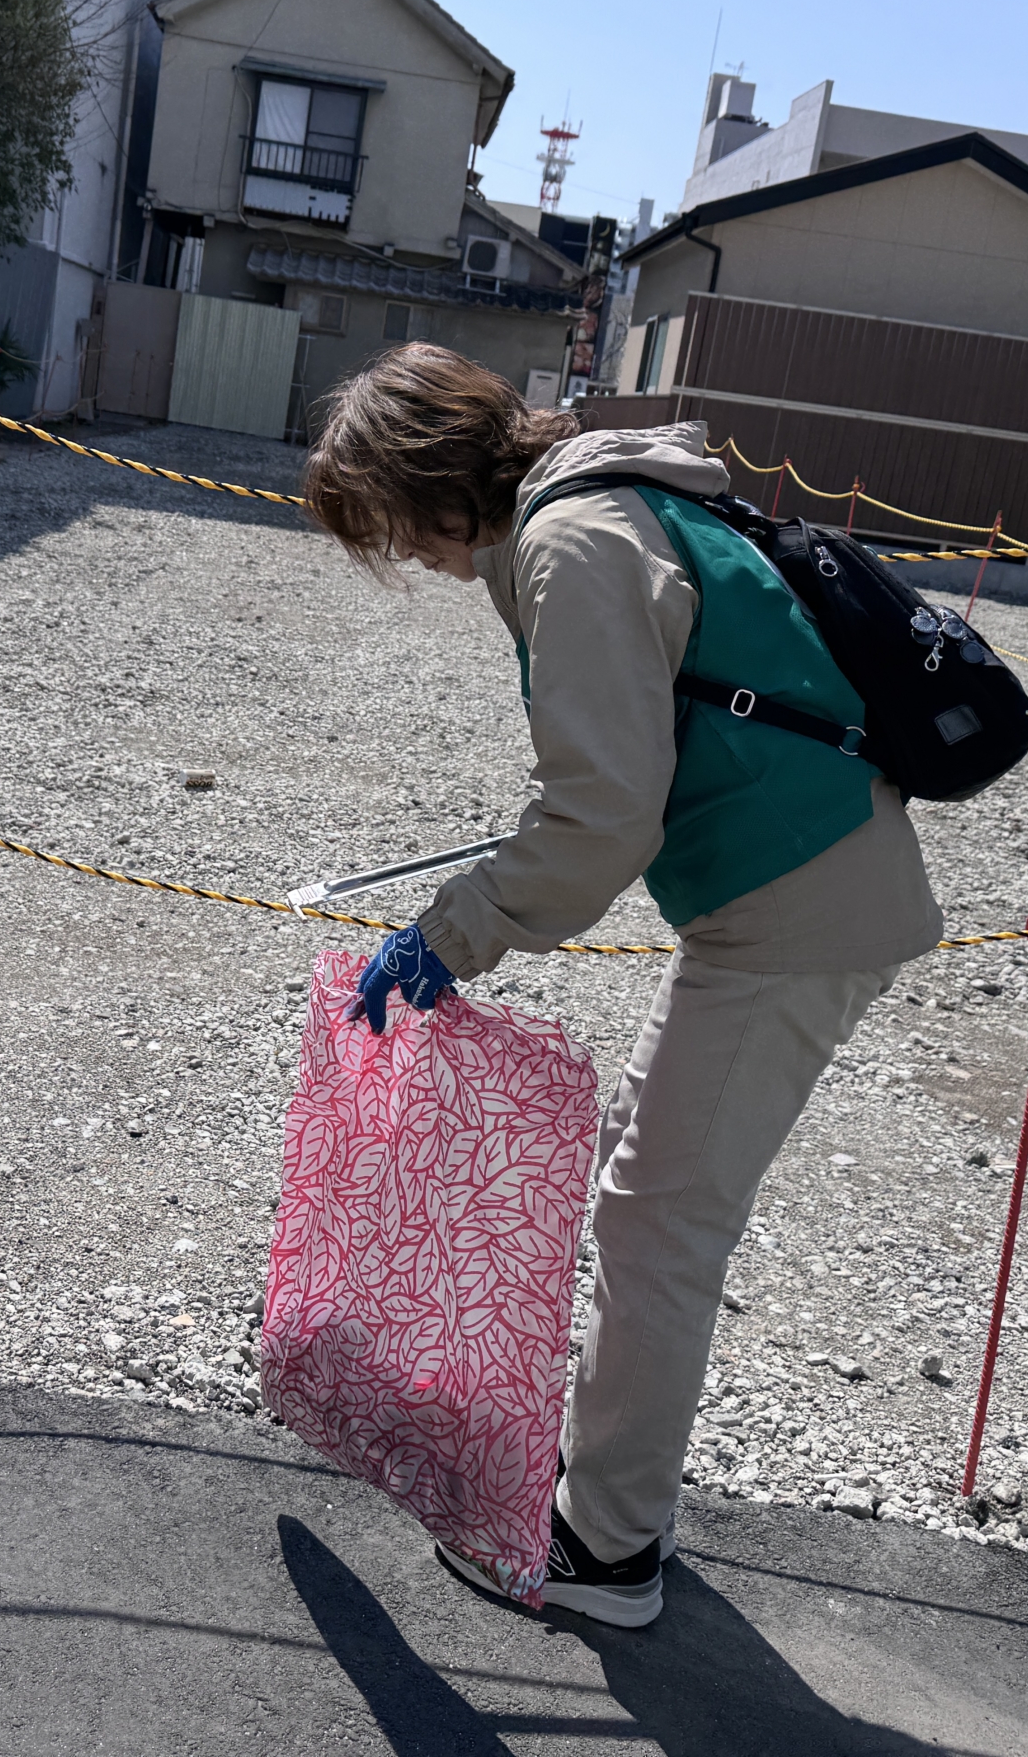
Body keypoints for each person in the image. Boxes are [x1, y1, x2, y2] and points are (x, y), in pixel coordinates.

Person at [302, 344, 942, 1629]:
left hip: (791, 916)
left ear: (435, 483)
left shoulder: (570, 540)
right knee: (640, 1191)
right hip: (780, 893)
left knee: (659, 1231)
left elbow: (599, 821)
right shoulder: (613, 498)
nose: (407, 555)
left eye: (393, 524)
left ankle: (607, 1552)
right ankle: (606, 1489)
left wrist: (447, 937)